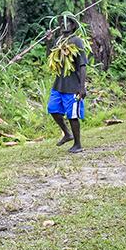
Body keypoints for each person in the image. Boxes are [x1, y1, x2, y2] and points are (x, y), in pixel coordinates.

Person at [46, 16, 88, 154]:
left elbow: (82, 65)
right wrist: (49, 41)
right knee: (52, 108)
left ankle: (78, 144)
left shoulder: (77, 41)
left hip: (73, 86)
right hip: (59, 85)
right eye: (63, 22)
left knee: (72, 115)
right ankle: (67, 134)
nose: (65, 24)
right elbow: (50, 57)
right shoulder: (58, 41)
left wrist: (82, 87)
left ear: (73, 26)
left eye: (69, 22)